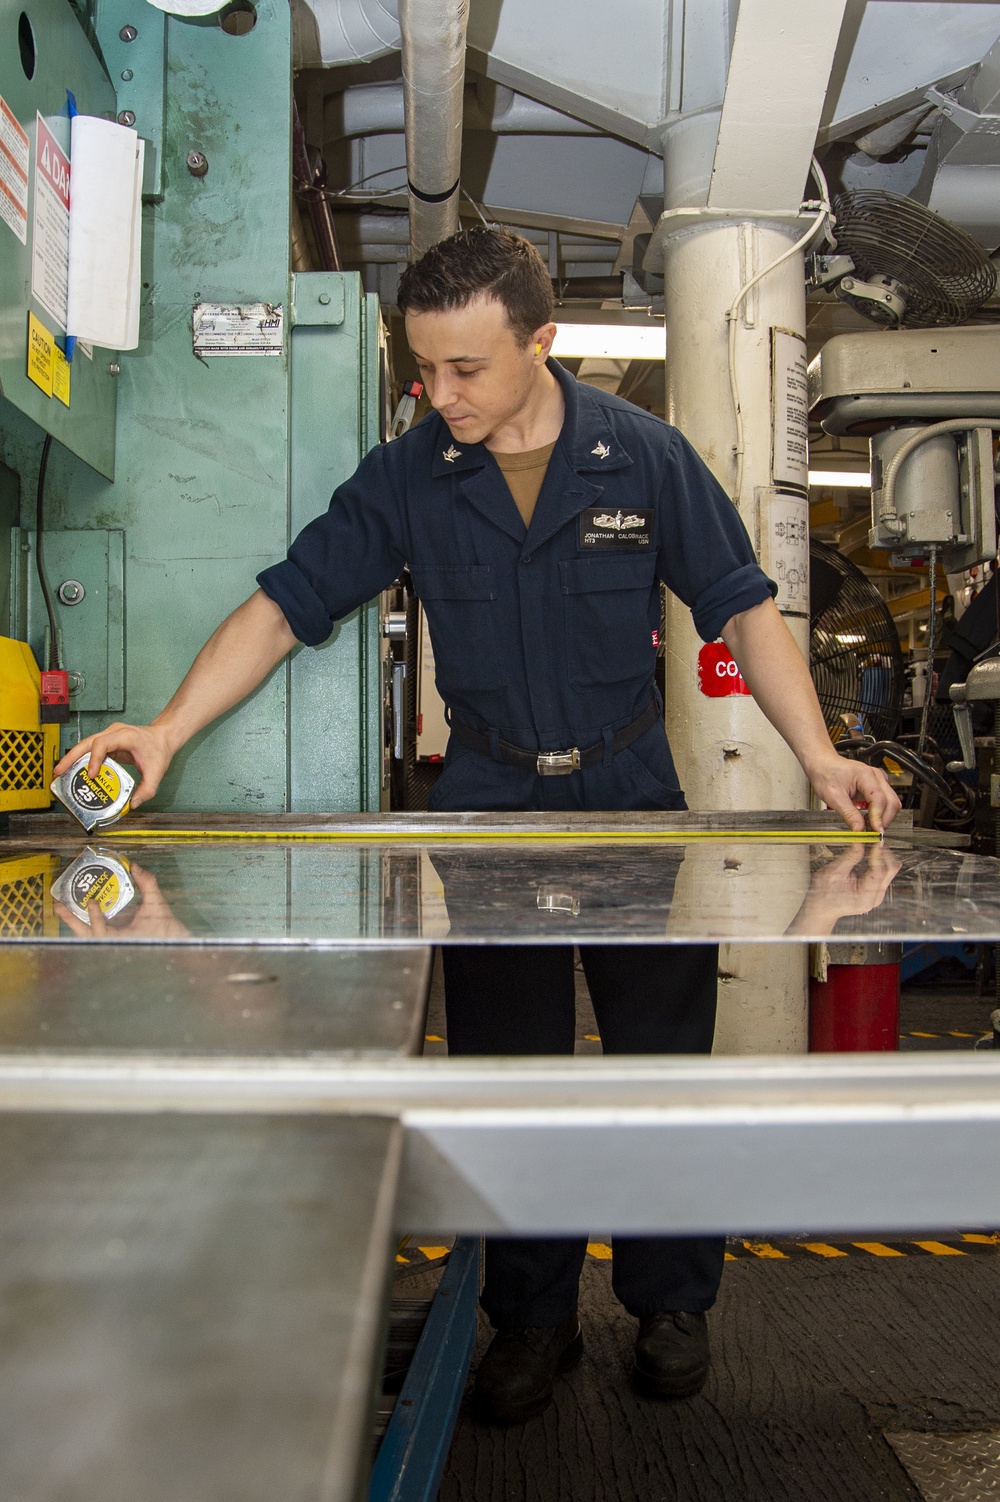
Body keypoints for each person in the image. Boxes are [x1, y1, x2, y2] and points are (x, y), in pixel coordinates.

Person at [55, 226, 900, 1425]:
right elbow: (285, 604)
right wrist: (164, 730)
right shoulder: (411, 473)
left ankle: (672, 1302)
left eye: (465, 369)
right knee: (513, 1070)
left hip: (628, 806)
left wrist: (818, 754)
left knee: (661, 1063)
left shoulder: (643, 457)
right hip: (489, 799)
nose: (439, 394)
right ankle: (532, 1317)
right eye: (424, 369)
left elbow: (742, 606)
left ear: (542, 343)